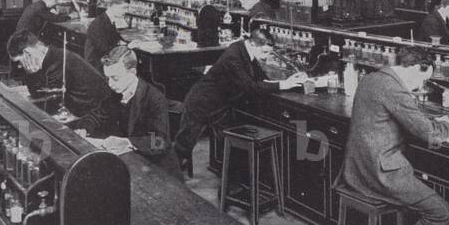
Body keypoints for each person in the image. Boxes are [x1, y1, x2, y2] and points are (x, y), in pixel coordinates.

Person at [341, 45, 449, 225]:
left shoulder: (372, 78)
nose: (420, 87)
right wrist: (447, 127)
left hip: (357, 168)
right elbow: (428, 133)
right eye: (423, 79)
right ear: (414, 68)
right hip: (380, 173)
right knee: (441, 213)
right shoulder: (394, 89)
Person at [172, 27, 307, 171]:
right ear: (254, 44)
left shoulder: (245, 50)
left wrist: (289, 80)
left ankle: (229, 182)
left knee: (226, 144)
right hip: (201, 102)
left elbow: (260, 78)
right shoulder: (234, 56)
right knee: (183, 148)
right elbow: (250, 87)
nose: (266, 57)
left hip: (219, 106)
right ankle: (169, 180)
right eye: (265, 52)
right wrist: (284, 85)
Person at [77, 46, 182, 180]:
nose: (110, 84)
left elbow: (160, 142)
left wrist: (127, 142)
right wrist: (84, 128)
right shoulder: (116, 93)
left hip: (158, 169)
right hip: (131, 162)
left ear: (132, 72)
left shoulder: (154, 98)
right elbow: (96, 115)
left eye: (115, 78)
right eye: (107, 78)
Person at [6, 30, 114, 130]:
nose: (20, 66)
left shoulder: (58, 63)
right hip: (82, 111)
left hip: (95, 117)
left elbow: (46, 101)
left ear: (27, 53)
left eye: (19, 62)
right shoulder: (53, 55)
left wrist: (33, 75)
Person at [84, 0, 127, 69]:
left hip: (104, 61)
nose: (126, 11)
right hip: (97, 66)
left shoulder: (108, 20)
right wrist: (127, 47)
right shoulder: (98, 24)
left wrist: (125, 43)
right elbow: (105, 49)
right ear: (112, 7)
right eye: (123, 8)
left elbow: (116, 37)